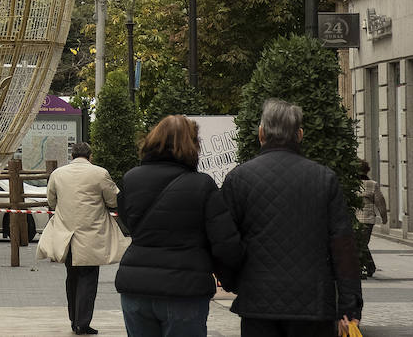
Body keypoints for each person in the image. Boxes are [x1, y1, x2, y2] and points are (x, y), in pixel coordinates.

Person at [221, 98, 362, 337]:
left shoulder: (238, 179)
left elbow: (225, 242)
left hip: (258, 302)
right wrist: (350, 306)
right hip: (313, 302)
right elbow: (343, 246)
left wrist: (234, 282)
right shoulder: (324, 179)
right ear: (300, 134)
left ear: (261, 133)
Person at [115, 115, 244, 337]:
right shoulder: (202, 185)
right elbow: (224, 243)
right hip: (185, 289)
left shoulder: (131, 179)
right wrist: (235, 277)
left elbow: (128, 223)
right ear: (192, 145)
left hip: (136, 288)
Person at [37, 141, 127, 335]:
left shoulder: (57, 174)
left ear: (72, 156)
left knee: (72, 277)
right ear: (90, 156)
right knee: (88, 277)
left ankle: (74, 320)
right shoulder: (100, 173)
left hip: (66, 235)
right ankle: (83, 323)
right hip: (91, 235)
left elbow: (51, 201)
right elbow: (113, 200)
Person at [356, 160, 387, 279]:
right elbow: (381, 202)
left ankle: (367, 267)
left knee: (362, 244)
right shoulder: (351, 183)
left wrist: (384, 217)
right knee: (360, 244)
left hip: (366, 219)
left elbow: (380, 202)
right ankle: (369, 267)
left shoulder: (372, 184)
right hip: (356, 220)